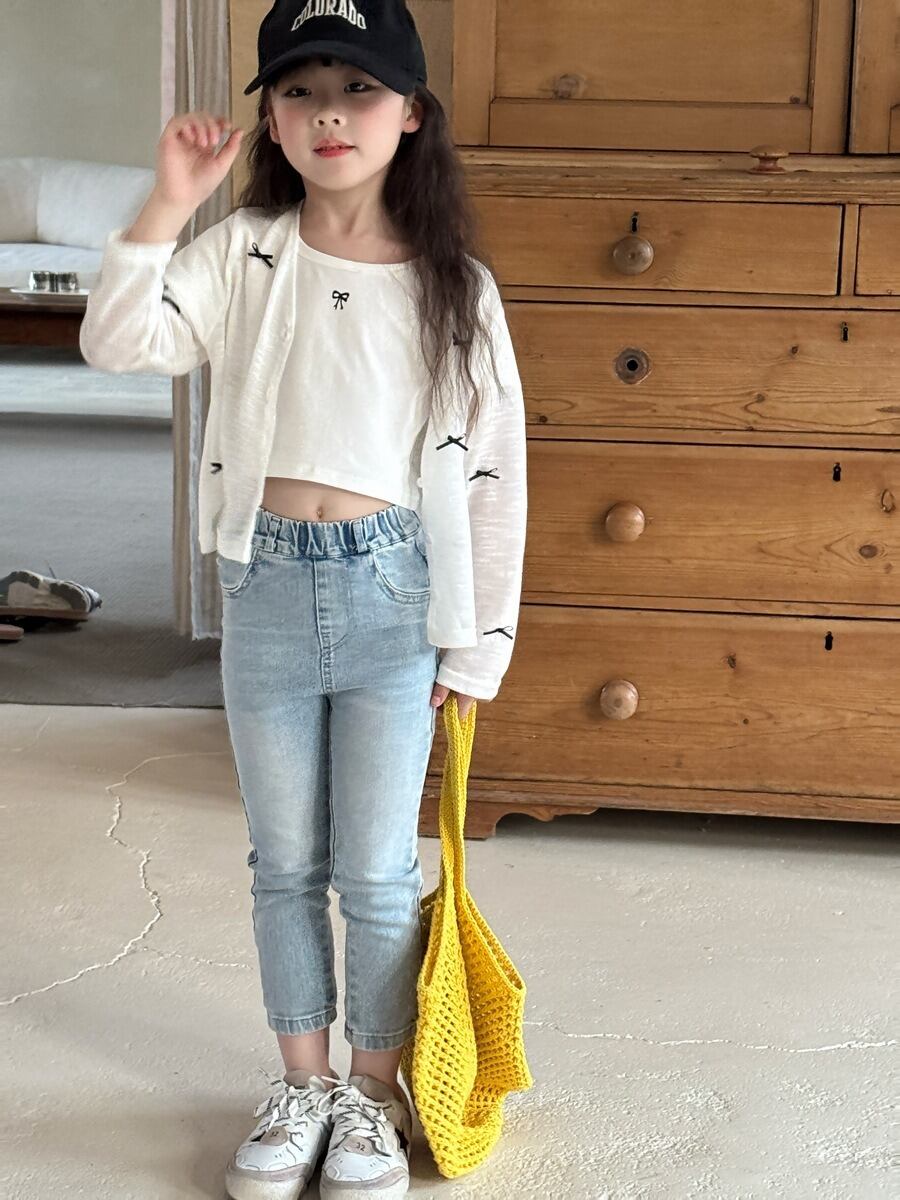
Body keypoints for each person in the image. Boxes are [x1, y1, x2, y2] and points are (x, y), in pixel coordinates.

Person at [79, 1, 527, 1196]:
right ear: (272, 121)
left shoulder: (454, 285)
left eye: (359, 88)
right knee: (283, 863)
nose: (331, 114)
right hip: (267, 586)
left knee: (375, 872)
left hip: (396, 596)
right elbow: (118, 343)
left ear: (412, 113)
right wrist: (169, 201)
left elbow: (493, 475)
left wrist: (478, 647)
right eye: (301, 91)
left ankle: (370, 1098)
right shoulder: (244, 253)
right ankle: (303, 1083)